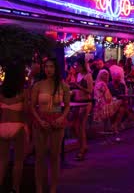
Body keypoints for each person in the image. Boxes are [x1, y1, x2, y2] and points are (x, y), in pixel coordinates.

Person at [31, 58, 70, 193]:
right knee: (40, 156)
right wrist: (39, 120)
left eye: (51, 66)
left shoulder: (63, 85)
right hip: (40, 120)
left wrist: (62, 118)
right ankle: (39, 188)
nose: (48, 69)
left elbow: (67, 106)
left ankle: (53, 188)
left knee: (55, 156)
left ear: (56, 68)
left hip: (57, 120)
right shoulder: (38, 85)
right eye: (46, 66)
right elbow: (32, 106)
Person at [0, 63, 28, 193]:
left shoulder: (1, 92)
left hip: (2, 127)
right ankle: (15, 189)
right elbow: (26, 112)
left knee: (2, 160)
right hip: (18, 126)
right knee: (18, 161)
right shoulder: (23, 92)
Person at [70, 58, 93, 161]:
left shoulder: (88, 76)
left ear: (82, 66)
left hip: (86, 102)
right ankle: (82, 146)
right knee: (75, 125)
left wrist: (79, 87)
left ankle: (82, 148)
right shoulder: (78, 75)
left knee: (81, 126)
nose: (76, 68)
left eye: (78, 66)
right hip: (77, 102)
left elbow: (90, 90)